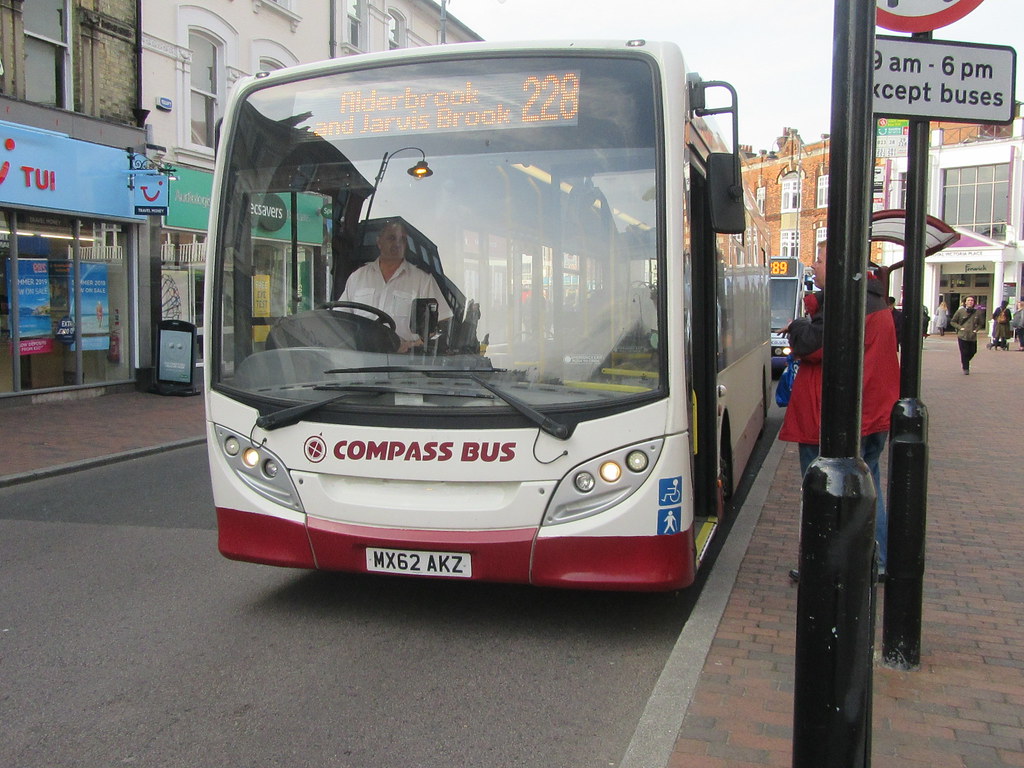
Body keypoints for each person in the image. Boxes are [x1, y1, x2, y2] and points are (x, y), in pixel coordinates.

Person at [780, 240, 900, 582]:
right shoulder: (874, 301)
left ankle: (823, 562)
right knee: (868, 485)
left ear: (836, 265)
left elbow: (810, 344)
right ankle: (875, 559)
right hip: (870, 415)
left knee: (823, 491)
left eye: (818, 260)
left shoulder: (845, 304)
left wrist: (797, 326)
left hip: (834, 418)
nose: (813, 266)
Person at [339, 219, 453, 353]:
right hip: (361, 360)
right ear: (379, 242)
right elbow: (340, 319)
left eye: (403, 240)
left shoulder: (422, 280)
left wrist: (412, 345)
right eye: (392, 238)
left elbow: (443, 323)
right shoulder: (357, 277)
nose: (397, 244)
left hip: (401, 363)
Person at [950, 296, 985, 374]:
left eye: (972, 300)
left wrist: (976, 329)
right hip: (962, 335)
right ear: (965, 302)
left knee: (973, 351)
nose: (970, 302)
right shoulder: (960, 311)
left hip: (972, 336)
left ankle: (965, 361)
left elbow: (981, 323)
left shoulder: (977, 312)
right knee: (964, 352)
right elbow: (953, 321)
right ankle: (966, 368)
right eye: (968, 300)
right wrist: (960, 327)